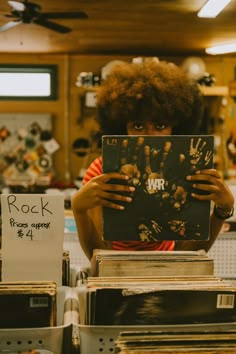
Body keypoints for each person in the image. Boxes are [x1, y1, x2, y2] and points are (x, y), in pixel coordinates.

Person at [72, 59, 234, 261]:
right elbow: (98, 256)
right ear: (123, 127)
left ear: (176, 126)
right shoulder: (103, 171)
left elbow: (188, 254)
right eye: (138, 126)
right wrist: (79, 210)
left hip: (170, 275)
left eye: (160, 125)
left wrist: (222, 211)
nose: (149, 136)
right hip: (115, 274)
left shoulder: (189, 170)